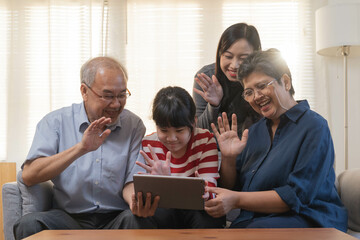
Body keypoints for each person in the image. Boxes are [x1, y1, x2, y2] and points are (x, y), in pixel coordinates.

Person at [204, 49, 348, 231]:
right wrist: (229, 158)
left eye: (262, 86)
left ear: (286, 82)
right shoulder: (254, 132)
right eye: (249, 92)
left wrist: (237, 199)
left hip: (310, 218)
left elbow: (296, 196)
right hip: (258, 221)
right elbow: (232, 186)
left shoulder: (314, 126)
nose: (256, 96)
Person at [13, 57, 149, 239]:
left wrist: (136, 202)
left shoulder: (134, 125)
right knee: (29, 224)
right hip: (68, 218)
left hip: (116, 218)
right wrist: (81, 148)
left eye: (122, 95)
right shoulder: (55, 122)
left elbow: (132, 180)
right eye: (108, 96)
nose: (116, 104)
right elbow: (29, 176)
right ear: (84, 91)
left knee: (141, 221)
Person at [132, 86, 225, 228]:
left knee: (208, 216)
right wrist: (158, 183)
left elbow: (210, 188)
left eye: (179, 130)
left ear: (193, 122)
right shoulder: (148, 143)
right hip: (163, 210)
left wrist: (205, 192)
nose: (171, 138)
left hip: (197, 210)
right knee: (140, 218)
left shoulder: (205, 140)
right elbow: (144, 195)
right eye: (163, 130)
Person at [193, 23, 261, 136]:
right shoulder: (206, 77)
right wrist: (213, 105)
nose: (235, 65)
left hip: (252, 147)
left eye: (243, 58)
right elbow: (198, 132)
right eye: (228, 57)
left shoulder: (262, 78)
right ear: (220, 54)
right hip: (215, 149)